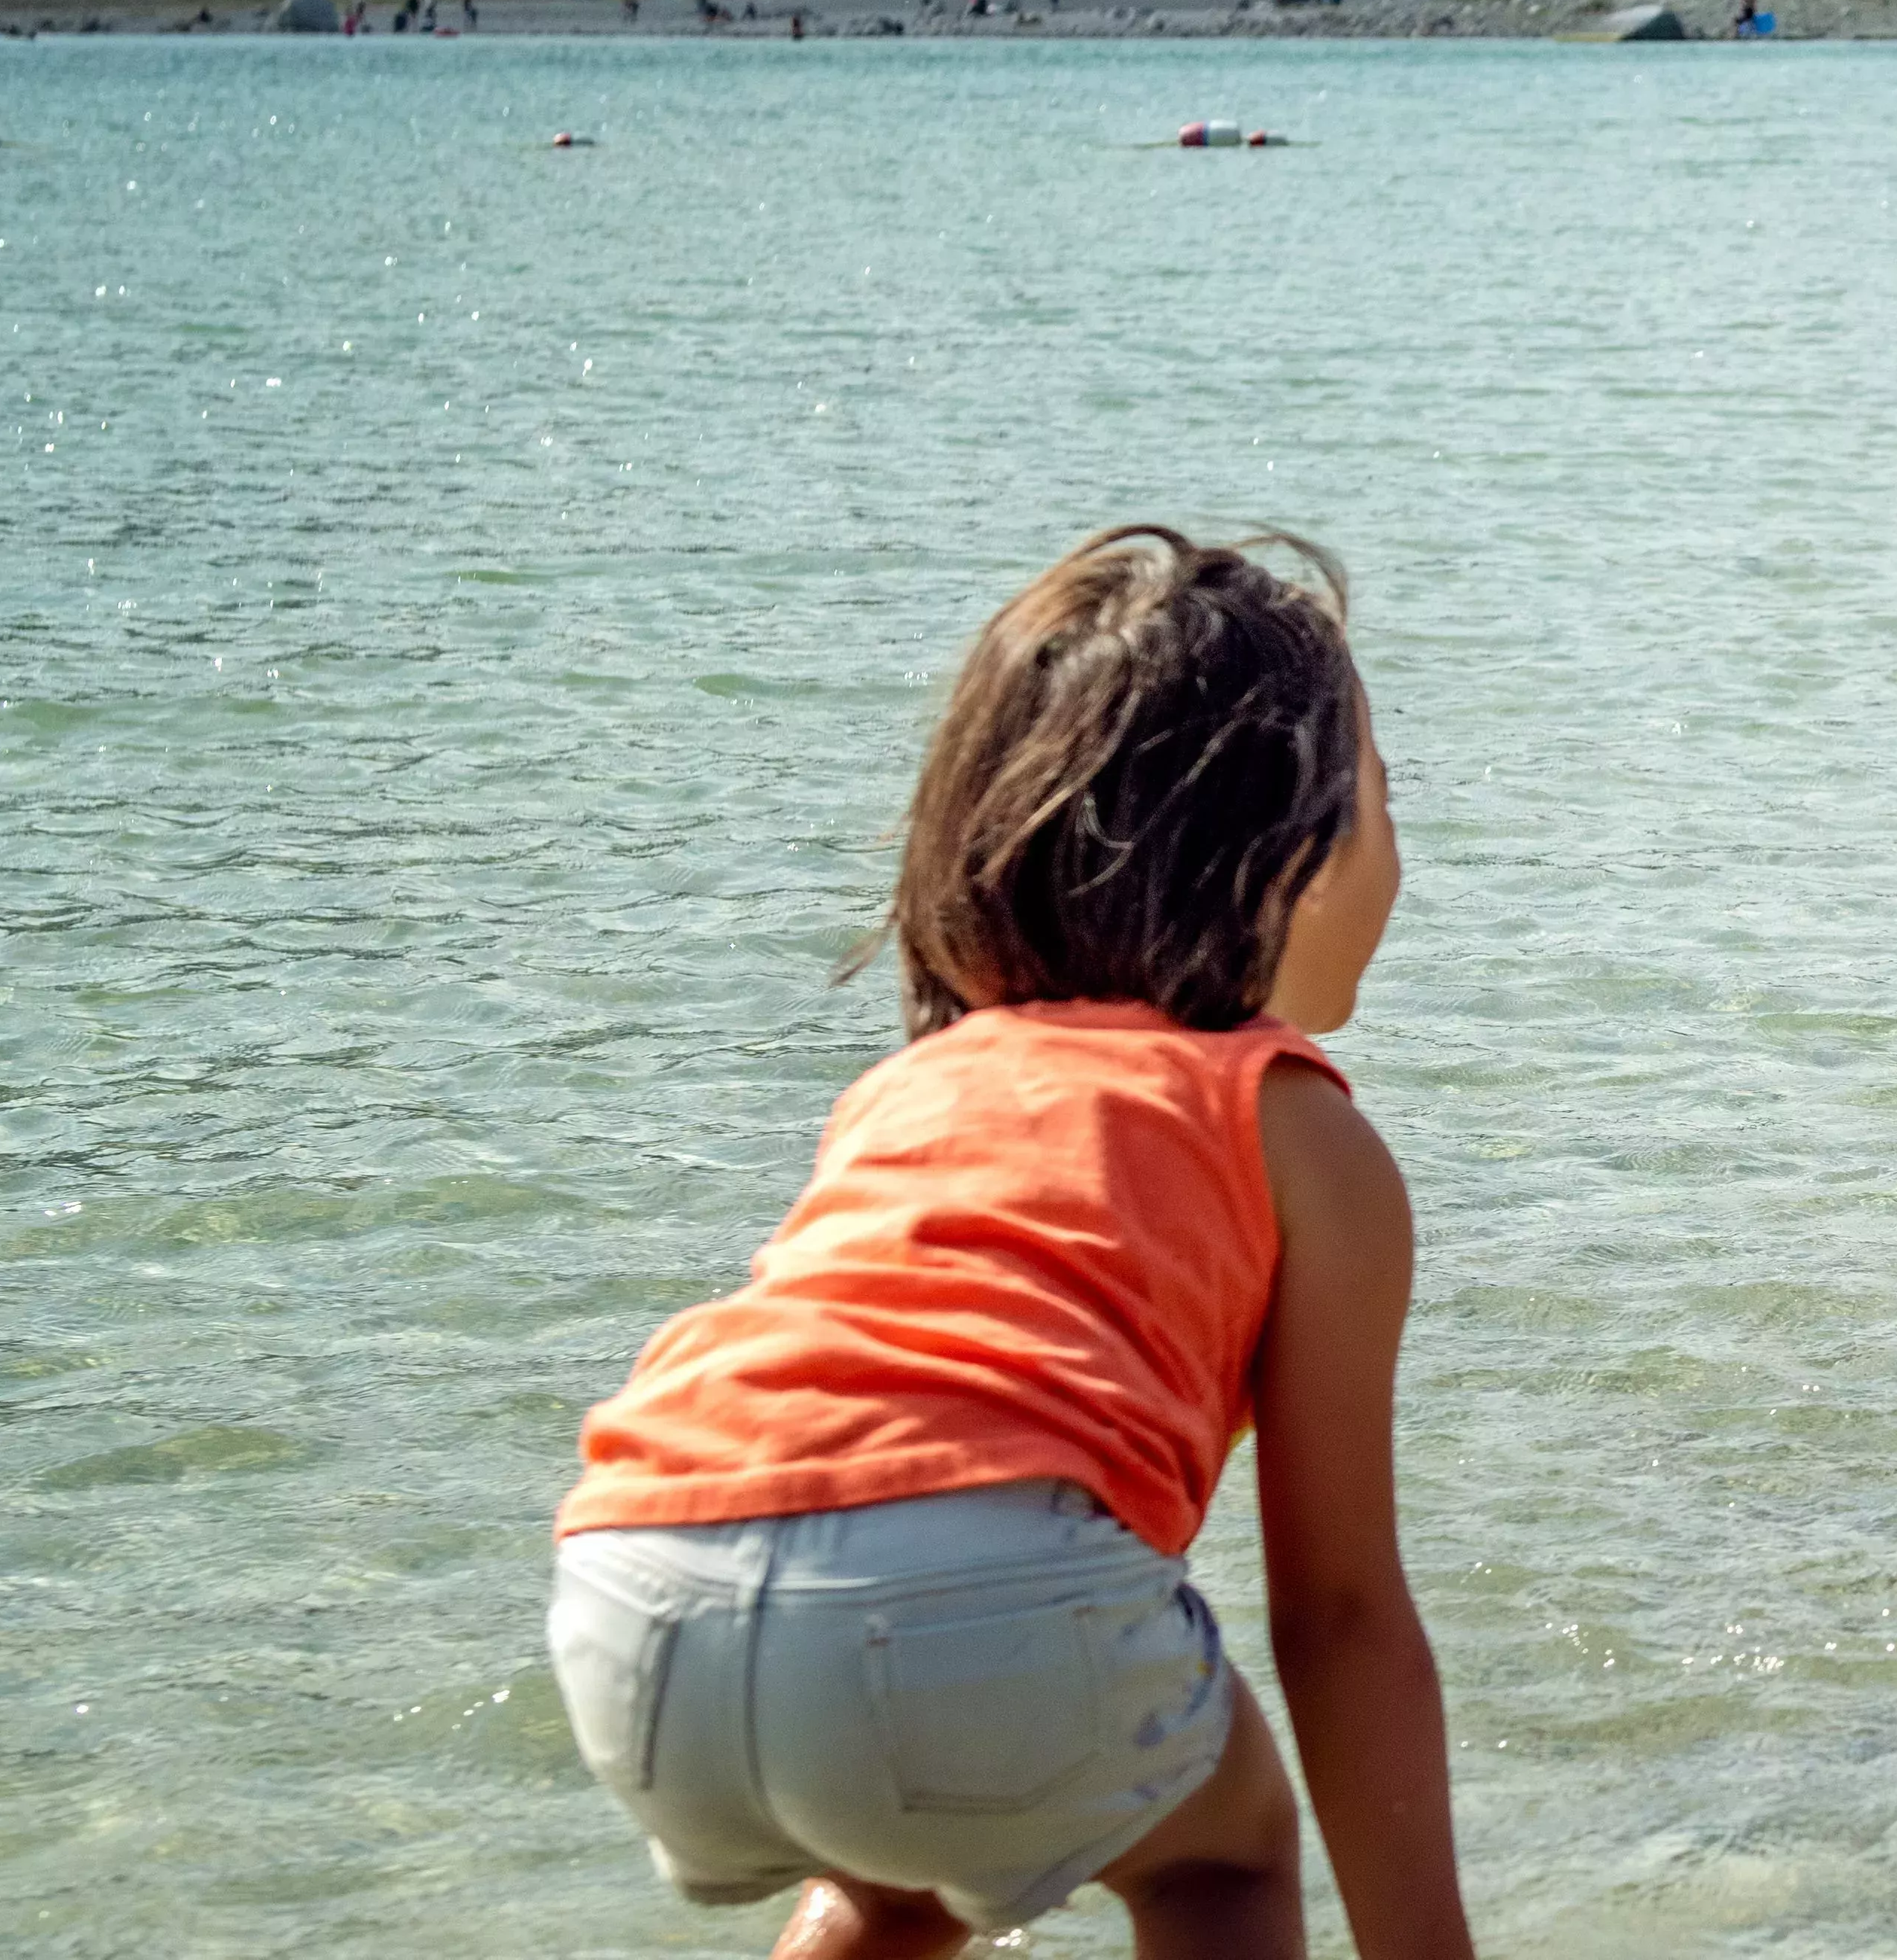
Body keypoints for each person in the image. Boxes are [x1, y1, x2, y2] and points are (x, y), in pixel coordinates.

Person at [547, 528, 1476, 1960]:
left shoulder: (918, 1082)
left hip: (638, 1581)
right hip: (969, 1594)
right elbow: (1339, 1614)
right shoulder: (1293, 1129)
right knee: (1218, 1859)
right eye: (1384, 801)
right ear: (1285, 853)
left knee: (903, 1863)